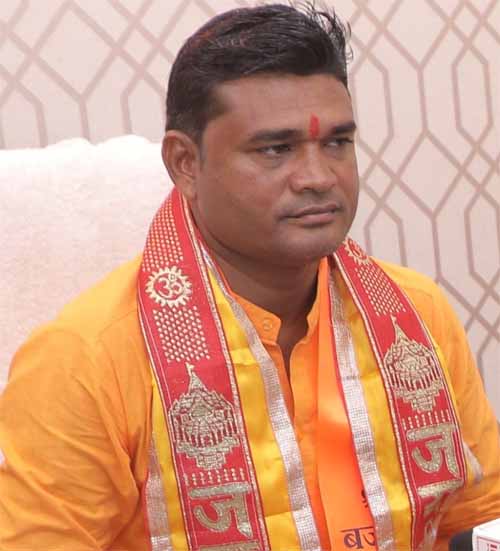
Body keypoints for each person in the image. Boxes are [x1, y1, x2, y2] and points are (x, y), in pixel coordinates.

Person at [0, 3, 499, 551]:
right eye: (276, 149)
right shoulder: (85, 361)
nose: (318, 177)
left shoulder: (414, 316)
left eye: (337, 142)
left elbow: (480, 521)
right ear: (185, 163)